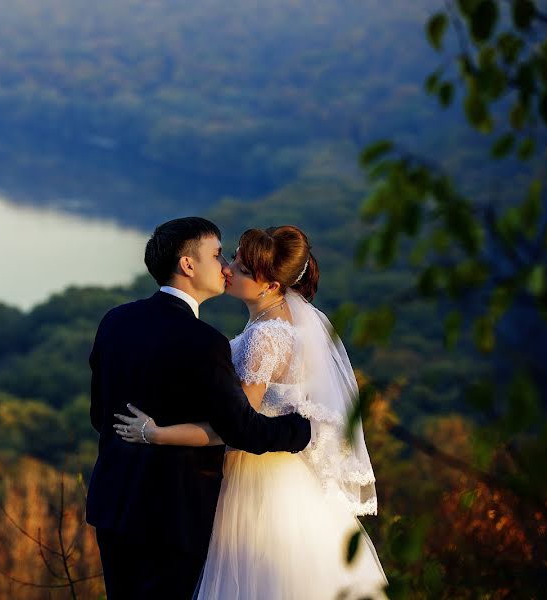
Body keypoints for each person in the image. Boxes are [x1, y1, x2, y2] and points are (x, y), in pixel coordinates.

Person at [116, 225, 388, 599]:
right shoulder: (289, 327)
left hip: (258, 481)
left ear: (271, 286)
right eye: (233, 260)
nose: (228, 269)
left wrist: (156, 433)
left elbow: (234, 427)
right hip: (292, 477)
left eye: (242, 269)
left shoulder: (266, 338)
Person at [86, 217, 312, 600]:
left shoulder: (115, 321)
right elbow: (242, 430)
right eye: (217, 254)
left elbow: (99, 415)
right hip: (174, 516)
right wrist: (301, 430)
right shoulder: (204, 342)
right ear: (188, 265)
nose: (225, 266)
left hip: (113, 507)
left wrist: (147, 434)